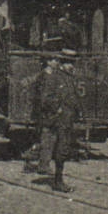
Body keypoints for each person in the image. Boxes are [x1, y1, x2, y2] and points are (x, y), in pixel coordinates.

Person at [33, 50, 81, 192]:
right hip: (58, 120)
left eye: (72, 62)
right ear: (61, 63)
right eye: (68, 62)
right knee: (60, 149)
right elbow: (45, 98)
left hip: (67, 120)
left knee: (64, 149)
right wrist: (57, 109)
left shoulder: (70, 78)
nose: (71, 65)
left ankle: (58, 179)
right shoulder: (53, 77)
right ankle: (58, 181)